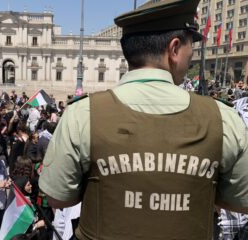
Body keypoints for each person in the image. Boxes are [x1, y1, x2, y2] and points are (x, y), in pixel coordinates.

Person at [39, 0, 248, 239]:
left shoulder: (82, 114)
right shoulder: (223, 119)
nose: (193, 54)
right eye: (193, 45)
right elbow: (241, 202)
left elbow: (57, 198)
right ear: (175, 48)